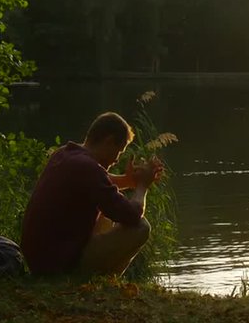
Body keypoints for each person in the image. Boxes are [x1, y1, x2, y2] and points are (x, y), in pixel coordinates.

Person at [20, 112, 163, 276]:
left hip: (39, 260)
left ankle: (98, 277)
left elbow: (101, 181)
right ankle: (107, 280)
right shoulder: (87, 168)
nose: (117, 160)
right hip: (57, 265)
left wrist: (130, 181)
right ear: (108, 141)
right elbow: (132, 214)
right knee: (141, 227)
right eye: (119, 151)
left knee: (107, 211)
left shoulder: (64, 154)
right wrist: (143, 186)